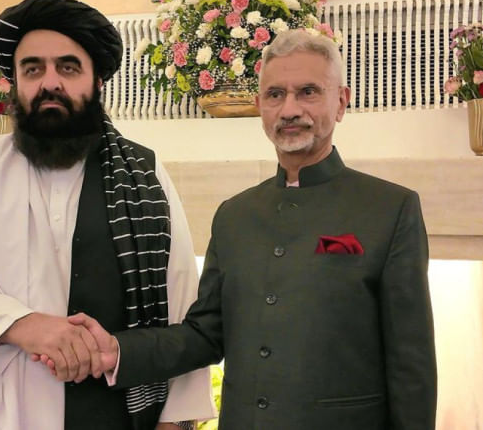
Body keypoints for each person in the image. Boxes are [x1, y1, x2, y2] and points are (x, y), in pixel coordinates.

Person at [57, 28, 438, 429]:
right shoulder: (234, 215)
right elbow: (206, 334)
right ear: (260, 107)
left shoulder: (390, 208)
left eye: (308, 92)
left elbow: (411, 363)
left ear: (341, 102)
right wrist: (117, 350)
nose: (289, 109)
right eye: (275, 95)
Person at [0, 0, 214, 430]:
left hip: (107, 414)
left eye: (68, 68)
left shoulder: (143, 172)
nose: (50, 82)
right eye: (33, 69)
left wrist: (174, 421)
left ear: (97, 81)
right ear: (14, 83)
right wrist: (22, 325)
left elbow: (179, 300)